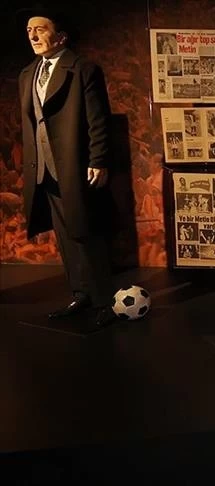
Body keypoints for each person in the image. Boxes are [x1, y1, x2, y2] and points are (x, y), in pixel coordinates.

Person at [18, 8, 116, 327]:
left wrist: (99, 159)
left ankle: (104, 301)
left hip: (75, 165)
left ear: (60, 36)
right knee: (64, 235)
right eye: (29, 30)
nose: (33, 35)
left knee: (86, 232)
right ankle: (81, 293)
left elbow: (98, 118)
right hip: (44, 167)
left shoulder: (83, 69)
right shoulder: (28, 74)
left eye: (41, 29)